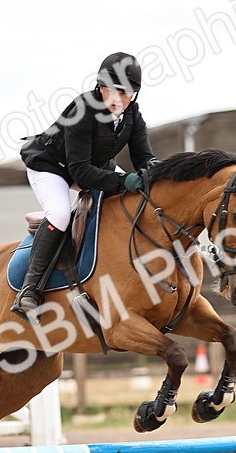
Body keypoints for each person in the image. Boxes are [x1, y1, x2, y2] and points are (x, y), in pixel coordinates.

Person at [13, 51, 157, 319]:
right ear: (100, 87)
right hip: (52, 166)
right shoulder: (82, 111)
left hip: (94, 166)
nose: (118, 99)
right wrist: (123, 180)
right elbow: (80, 171)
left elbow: (144, 159)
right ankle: (30, 289)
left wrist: (157, 171)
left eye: (125, 93)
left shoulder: (132, 116)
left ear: (134, 94)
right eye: (111, 91)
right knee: (59, 213)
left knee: (135, 199)